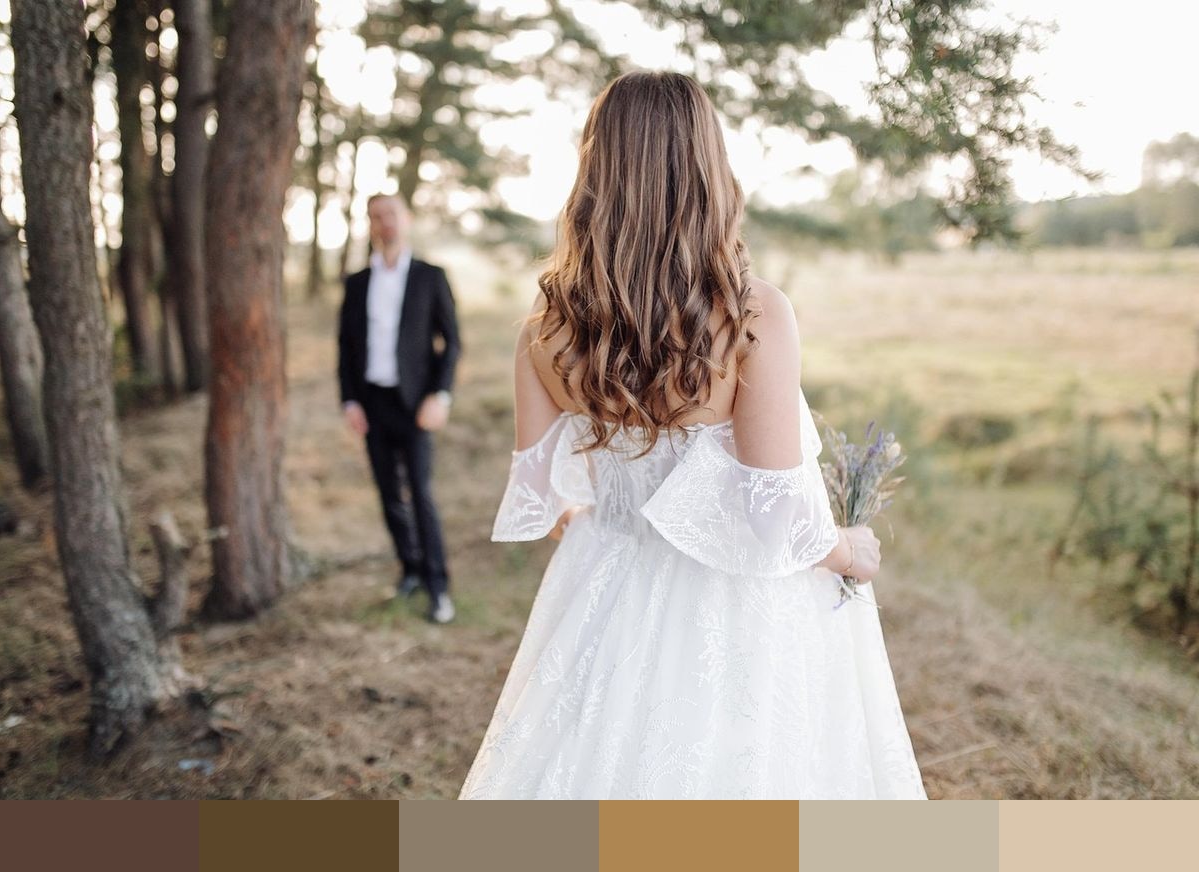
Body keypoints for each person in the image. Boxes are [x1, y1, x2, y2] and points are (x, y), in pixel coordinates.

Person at [458, 72, 926, 798]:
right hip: (734, 603)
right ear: (707, 170)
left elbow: (546, 503)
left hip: (602, 588)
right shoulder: (752, 314)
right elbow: (775, 516)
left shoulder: (543, 332)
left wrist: (614, 515)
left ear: (595, 172)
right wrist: (850, 551)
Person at [337, 192, 462, 624]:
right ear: (370, 224)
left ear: (405, 219)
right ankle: (408, 569)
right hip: (372, 403)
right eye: (376, 216)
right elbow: (345, 348)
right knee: (389, 495)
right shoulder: (356, 282)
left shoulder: (431, 276)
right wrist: (350, 400)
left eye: (390, 214)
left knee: (421, 494)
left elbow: (452, 342)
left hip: (415, 405)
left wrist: (439, 395)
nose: (384, 222)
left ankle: (438, 586)